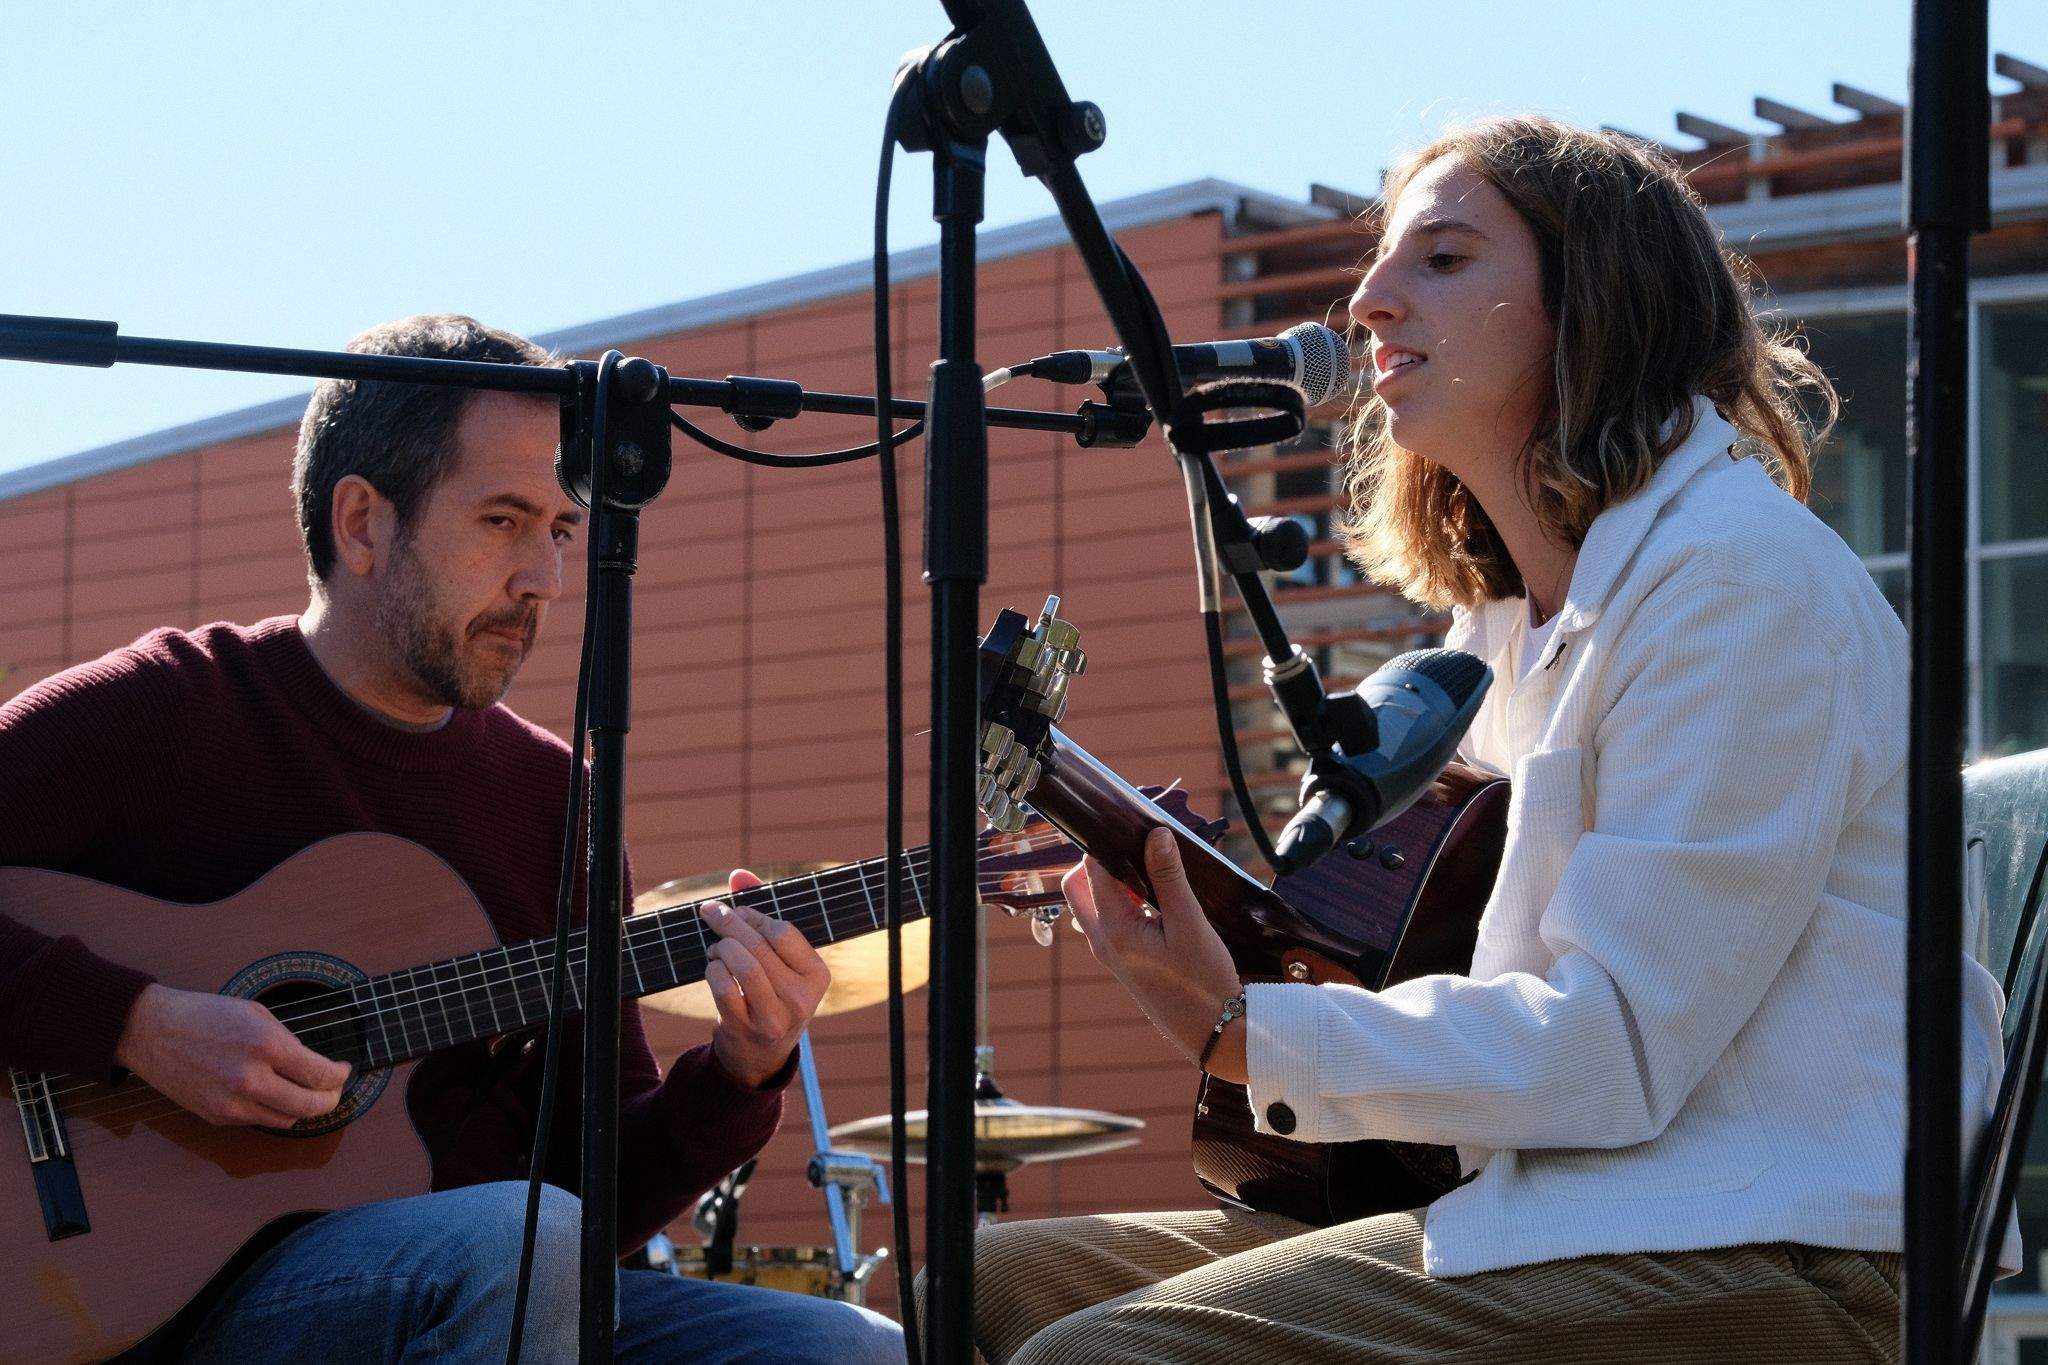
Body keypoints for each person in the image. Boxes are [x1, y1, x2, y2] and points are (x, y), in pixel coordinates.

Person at [962, 117, 2019, 1363]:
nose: (1365, 300)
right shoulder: (1499, 632)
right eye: (1381, 263)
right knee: (977, 1281)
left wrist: (1244, 1024)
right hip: (1560, 1212)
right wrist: (1244, 969)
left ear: (1593, 304)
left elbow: (1615, 1042)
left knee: (1100, 1356)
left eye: (1443, 260)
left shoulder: (1737, 587)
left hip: (1784, 1248)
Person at [0, 315, 902, 1363]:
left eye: (560, 532)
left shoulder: (554, 801)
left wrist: (740, 1074)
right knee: (518, 1245)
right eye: (503, 522)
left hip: (471, 1285)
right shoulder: (164, 711)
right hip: (156, 1315)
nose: (545, 582)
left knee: (852, 1350)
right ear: (361, 524)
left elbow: (586, 1202)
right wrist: (135, 1026)